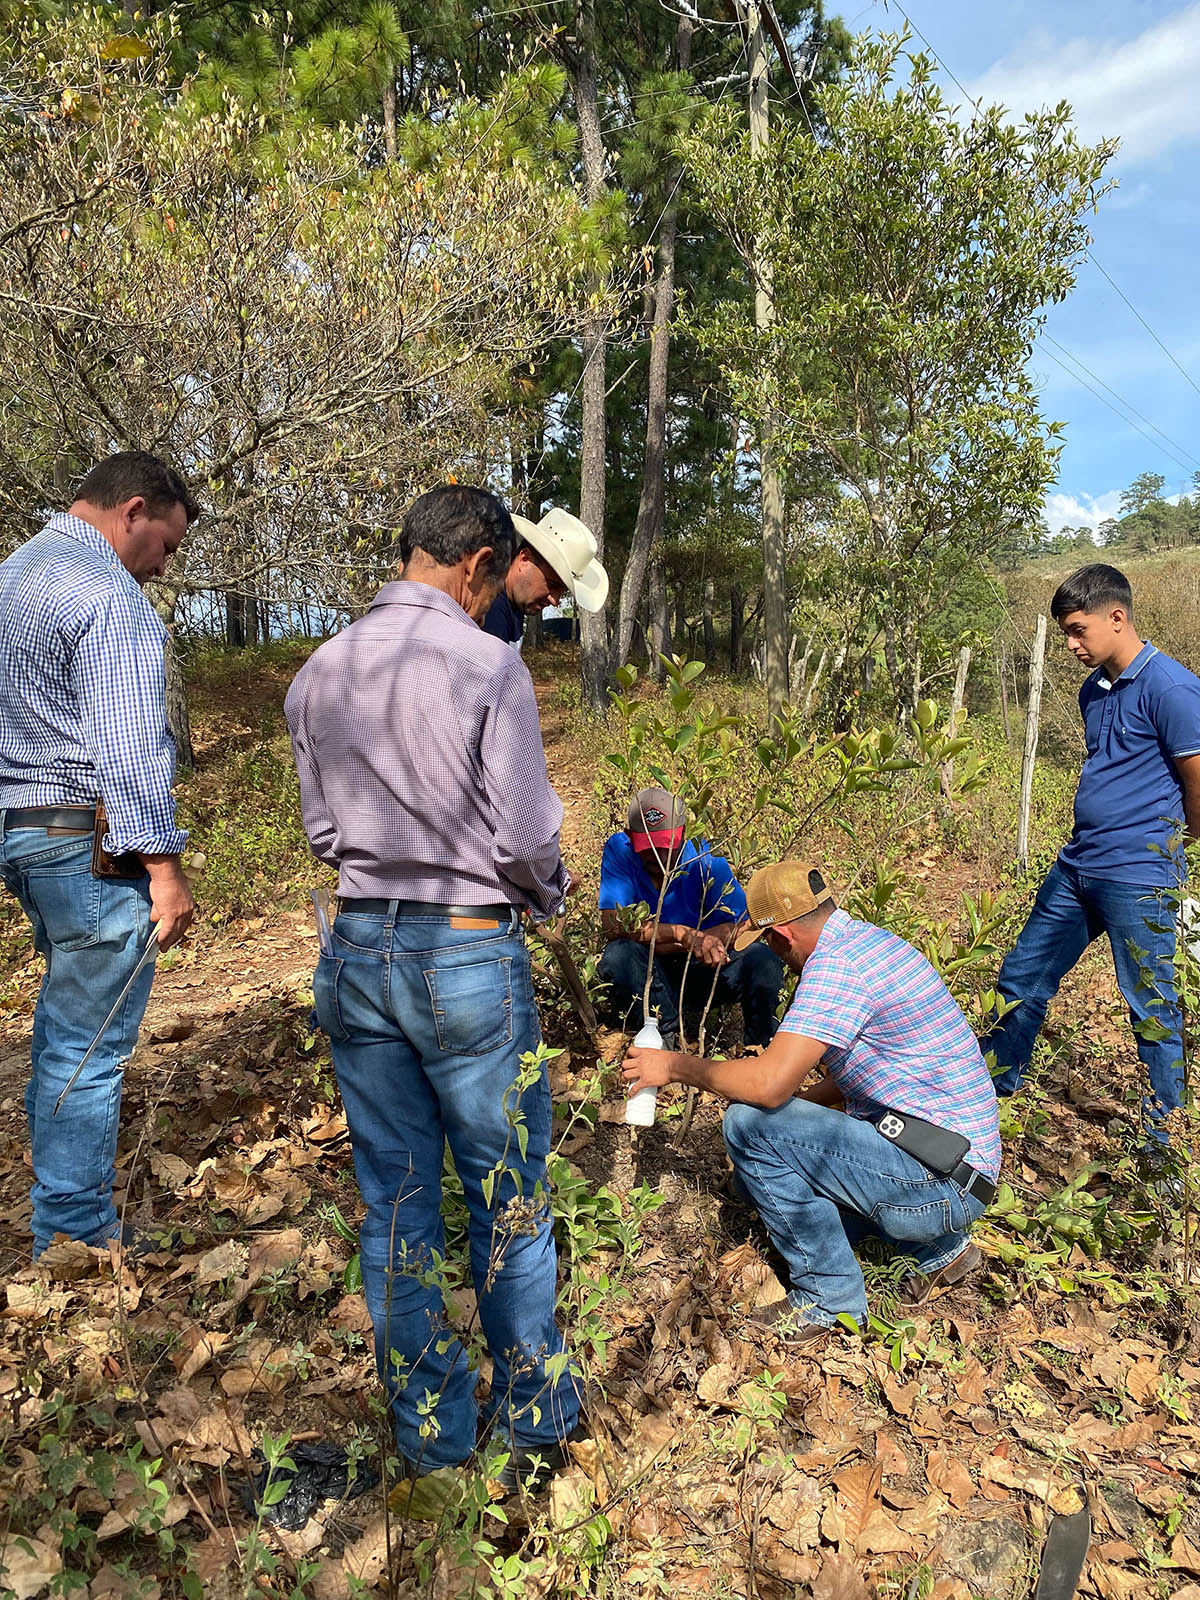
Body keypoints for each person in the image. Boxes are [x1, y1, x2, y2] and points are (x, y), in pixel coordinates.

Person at [286, 484, 580, 1488]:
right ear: (478, 569)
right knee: (504, 1193)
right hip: (463, 949)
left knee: (398, 1202)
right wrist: (549, 889)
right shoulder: (489, 663)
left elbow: (324, 833)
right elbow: (529, 838)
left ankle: (434, 1438)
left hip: (358, 944)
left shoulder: (318, 671)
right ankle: (537, 1422)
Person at [623, 861, 999, 1346]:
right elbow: (860, 1081)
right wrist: (795, 1122)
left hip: (938, 1182)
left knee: (746, 1125)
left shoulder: (835, 970)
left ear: (782, 935)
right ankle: (942, 1250)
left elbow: (768, 1086)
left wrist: (673, 1066)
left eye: (769, 944)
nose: (775, 958)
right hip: (964, 1168)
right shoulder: (871, 944)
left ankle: (830, 1299)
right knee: (752, 1182)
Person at [0, 451, 198, 1258]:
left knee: (62, 1030)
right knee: (89, 1043)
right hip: (85, 842)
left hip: (21, 831)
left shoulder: (15, 573)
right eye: (168, 544)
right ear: (135, 511)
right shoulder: (109, 598)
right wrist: (163, 868)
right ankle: (74, 1236)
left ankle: (62, 1214)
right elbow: (127, 748)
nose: (164, 564)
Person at [983, 564, 1200, 1150]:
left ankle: (1164, 1141)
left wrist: (1186, 842)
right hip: (1078, 866)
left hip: (1140, 875)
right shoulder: (1093, 691)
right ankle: (992, 1096)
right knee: (1022, 975)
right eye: (1066, 636)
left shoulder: (1173, 689)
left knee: (1151, 1006)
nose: (1073, 646)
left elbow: (1196, 774)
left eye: (1079, 631)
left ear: (1117, 616)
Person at [598, 788, 786, 1048]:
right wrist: (682, 935)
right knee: (619, 955)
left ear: (683, 834)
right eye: (647, 848)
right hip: (651, 973)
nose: (658, 857)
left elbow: (747, 921)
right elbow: (613, 924)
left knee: (762, 959)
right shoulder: (619, 850)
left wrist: (709, 941)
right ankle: (663, 1037)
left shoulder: (704, 857)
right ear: (631, 838)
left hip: (704, 968)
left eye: (667, 846)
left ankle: (762, 1048)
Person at [481, 507, 608, 647]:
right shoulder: (486, 613)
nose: (555, 600)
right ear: (525, 559)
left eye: (563, 592)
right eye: (552, 584)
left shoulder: (513, 605)